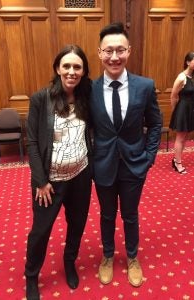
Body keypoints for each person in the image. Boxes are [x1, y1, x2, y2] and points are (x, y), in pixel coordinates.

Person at [90, 22, 162, 287]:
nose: (114, 57)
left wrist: (149, 156)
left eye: (120, 50)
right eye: (109, 51)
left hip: (134, 165)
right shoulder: (90, 89)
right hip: (103, 165)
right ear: (99, 53)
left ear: (129, 51)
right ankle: (107, 256)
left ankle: (132, 257)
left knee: (130, 214)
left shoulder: (145, 86)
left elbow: (155, 123)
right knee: (107, 215)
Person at [24, 44, 92, 300]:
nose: (72, 71)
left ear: (84, 71)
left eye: (77, 67)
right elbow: (31, 141)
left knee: (77, 225)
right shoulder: (41, 98)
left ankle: (69, 262)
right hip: (49, 182)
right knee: (41, 231)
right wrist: (40, 181)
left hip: (81, 176)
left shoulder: (87, 96)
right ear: (57, 68)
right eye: (67, 66)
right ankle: (31, 276)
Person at [169, 51, 194, 174]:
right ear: (188, 62)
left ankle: (176, 159)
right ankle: (177, 163)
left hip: (190, 109)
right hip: (182, 109)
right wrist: (175, 112)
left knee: (184, 137)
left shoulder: (192, 77)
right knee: (180, 138)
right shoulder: (181, 77)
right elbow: (173, 96)